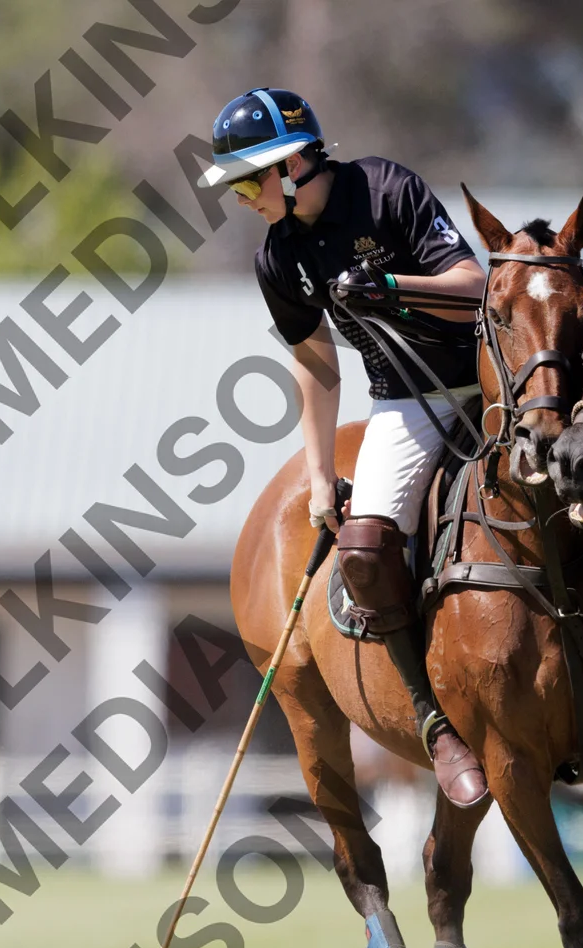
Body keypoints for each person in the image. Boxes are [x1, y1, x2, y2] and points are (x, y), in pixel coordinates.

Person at [197, 88, 490, 806]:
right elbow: (315, 360)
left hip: (492, 384)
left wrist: (391, 285)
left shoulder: (386, 189)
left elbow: (474, 287)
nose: (241, 199)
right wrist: (321, 472)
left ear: (293, 164)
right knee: (364, 550)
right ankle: (436, 723)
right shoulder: (278, 256)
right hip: (407, 403)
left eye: (247, 182)